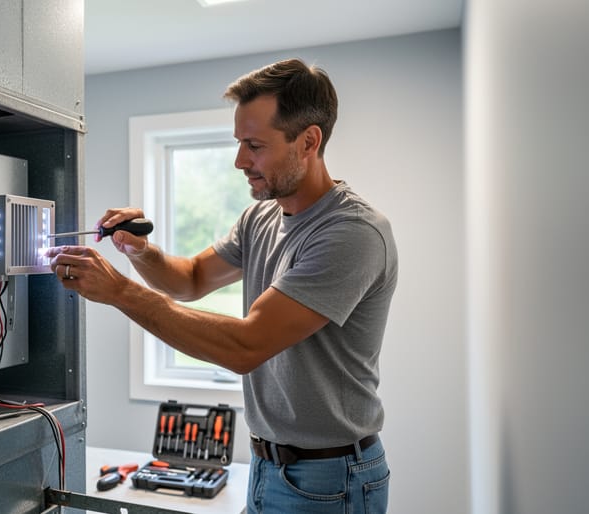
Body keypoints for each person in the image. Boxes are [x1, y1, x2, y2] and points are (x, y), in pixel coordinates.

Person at [47, 58, 397, 514]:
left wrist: (120, 292)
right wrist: (139, 251)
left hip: (330, 480)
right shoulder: (262, 216)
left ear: (308, 140)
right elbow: (190, 279)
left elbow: (244, 346)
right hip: (267, 467)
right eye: (239, 143)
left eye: (254, 146)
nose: (239, 161)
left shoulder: (351, 233)